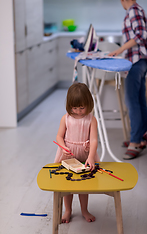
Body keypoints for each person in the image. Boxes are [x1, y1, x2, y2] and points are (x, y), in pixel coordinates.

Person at [108, 0, 147, 160]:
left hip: (137, 60)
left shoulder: (134, 11)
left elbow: (140, 36)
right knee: (139, 101)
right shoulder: (138, 10)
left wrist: (119, 50)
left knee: (131, 101)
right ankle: (141, 139)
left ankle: (135, 142)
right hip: (140, 60)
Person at [54, 82, 100, 223]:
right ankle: (68, 210)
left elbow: (93, 140)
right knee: (67, 185)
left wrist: (91, 156)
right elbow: (59, 137)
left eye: (82, 107)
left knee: (83, 185)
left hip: (84, 156)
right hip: (68, 156)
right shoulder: (66, 118)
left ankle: (84, 210)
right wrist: (63, 148)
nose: (79, 111)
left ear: (88, 103)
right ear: (69, 105)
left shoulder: (91, 120)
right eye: (75, 108)